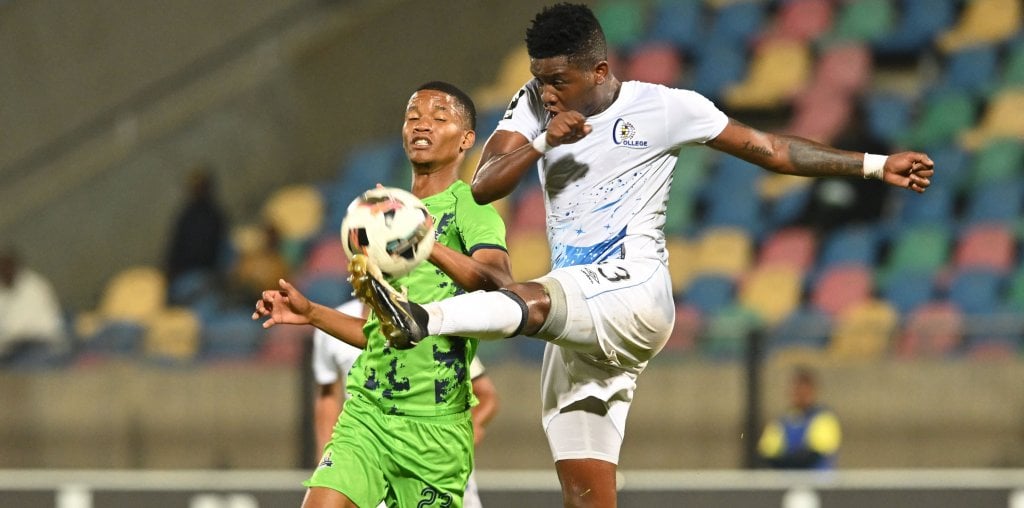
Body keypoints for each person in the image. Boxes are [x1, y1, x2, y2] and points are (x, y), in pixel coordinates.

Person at [352, 4, 935, 507]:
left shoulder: (664, 108)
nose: (547, 92)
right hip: (580, 310)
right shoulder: (535, 106)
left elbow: (774, 149)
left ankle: (421, 319)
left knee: (530, 300)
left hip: (634, 292)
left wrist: (875, 165)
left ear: (600, 71)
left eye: (558, 79)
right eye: (539, 79)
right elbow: (484, 185)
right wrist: (541, 140)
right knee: (584, 487)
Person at [254, 81, 513, 508]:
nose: (421, 125)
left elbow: (501, 284)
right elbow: (382, 333)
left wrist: (424, 241)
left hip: (434, 432)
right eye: (413, 116)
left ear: (467, 138)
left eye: (439, 117)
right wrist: (312, 312)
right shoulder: (384, 217)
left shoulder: (470, 207)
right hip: (368, 414)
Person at [310, 299, 499, 508]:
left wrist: (455, 445)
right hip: (368, 445)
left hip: (431, 454)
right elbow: (327, 393)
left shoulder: (425, 318)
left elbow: (485, 394)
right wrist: (323, 457)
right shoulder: (331, 323)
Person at [164, 165, 228, 305]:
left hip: (204, 278)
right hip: (187, 279)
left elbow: (217, 253)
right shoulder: (187, 217)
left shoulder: (214, 216)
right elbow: (175, 249)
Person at [758, 366, 842, 470]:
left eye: (805, 390)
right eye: (797, 389)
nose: (801, 394)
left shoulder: (824, 419)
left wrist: (786, 461)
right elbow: (767, 454)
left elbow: (814, 455)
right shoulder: (781, 422)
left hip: (817, 484)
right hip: (786, 483)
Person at [0, 246, 67, 365]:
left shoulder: (34, 286)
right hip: (11, 350)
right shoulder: (3, 290)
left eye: (6, 266)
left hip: (40, 345)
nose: (4, 270)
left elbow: (25, 328)